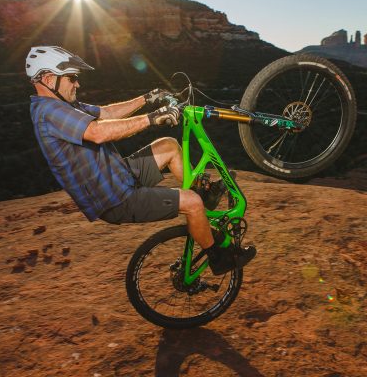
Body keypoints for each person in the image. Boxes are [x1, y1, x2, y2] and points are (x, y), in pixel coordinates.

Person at [26, 45, 255, 275]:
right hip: (116, 199)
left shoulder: (64, 105)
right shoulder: (49, 112)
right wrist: (152, 118)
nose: (77, 84)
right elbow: (97, 132)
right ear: (49, 79)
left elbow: (107, 113)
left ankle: (205, 198)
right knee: (192, 203)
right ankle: (219, 258)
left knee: (169, 146)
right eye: (72, 78)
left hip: (120, 174)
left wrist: (147, 98)